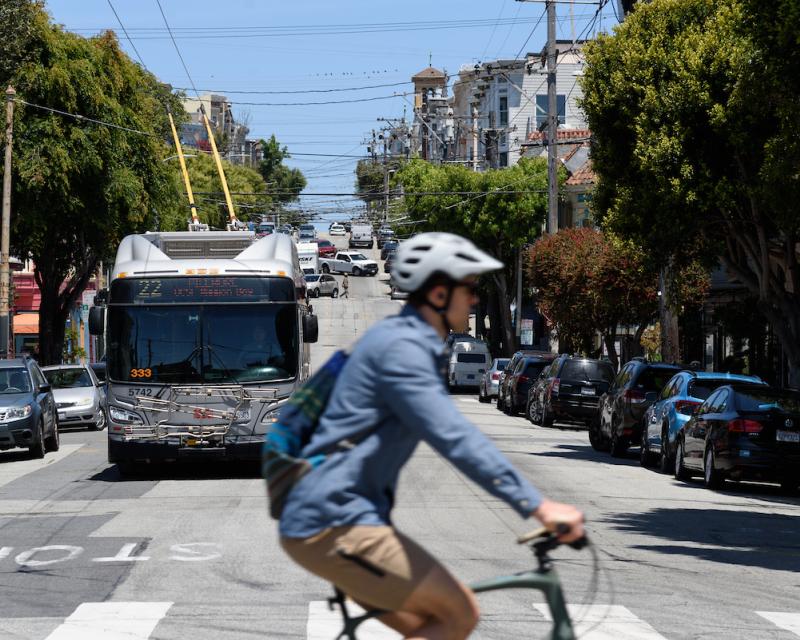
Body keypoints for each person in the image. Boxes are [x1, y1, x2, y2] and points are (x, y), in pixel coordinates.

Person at [279, 232, 584, 640]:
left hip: (329, 516)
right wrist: (538, 506)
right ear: (439, 293)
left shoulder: (405, 340)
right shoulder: (405, 350)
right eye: (468, 289)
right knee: (457, 614)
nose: (474, 299)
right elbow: (453, 436)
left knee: (432, 625)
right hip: (335, 520)